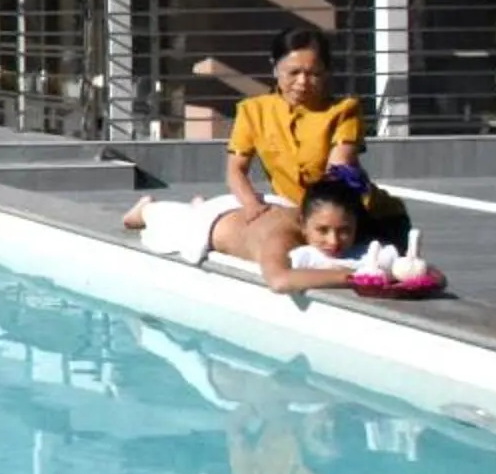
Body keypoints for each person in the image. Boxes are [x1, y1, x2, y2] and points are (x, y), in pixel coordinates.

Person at [227, 25, 415, 250]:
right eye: (293, 72)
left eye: (314, 74)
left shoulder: (345, 110)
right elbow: (236, 169)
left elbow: (337, 171)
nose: (303, 82)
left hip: (363, 218)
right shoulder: (252, 111)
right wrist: (252, 206)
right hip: (308, 220)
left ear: (327, 72)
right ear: (275, 68)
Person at [123, 186, 377, 295]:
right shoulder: (282, 237)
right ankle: (146, 207)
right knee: (153, 216)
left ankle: (198, 204)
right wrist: (352, 278)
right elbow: (279, 281)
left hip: (263, 207)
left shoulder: (320, 219)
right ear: (303, 222)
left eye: (344, 231)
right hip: (208, 224)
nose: (333, 241)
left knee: (197, 209)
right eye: (322, 231)